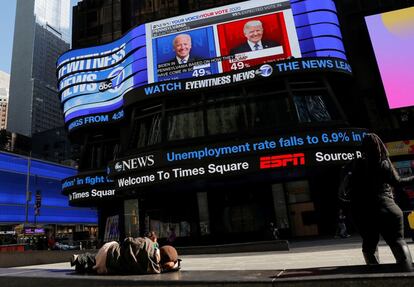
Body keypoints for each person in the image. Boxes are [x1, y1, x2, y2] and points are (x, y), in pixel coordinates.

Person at [348, 133, 414, 271]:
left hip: (364, 212)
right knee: (397, 240)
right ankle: (407, 273)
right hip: (387, 207)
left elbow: (347, 188)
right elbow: (398, 182)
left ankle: (375, 276)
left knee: (369, 244)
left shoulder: (356, 164)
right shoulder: (383, 163)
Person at [70, 236, 180, 274]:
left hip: (109, 247)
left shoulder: (148, 242)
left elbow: (128, 240)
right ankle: (81, 263)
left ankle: (80, 258)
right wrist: (171, 266)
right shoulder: (152, 267)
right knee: (97, 264)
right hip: (106, 265)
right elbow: (163, 268)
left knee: (100, 256)